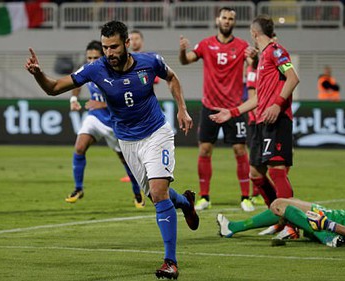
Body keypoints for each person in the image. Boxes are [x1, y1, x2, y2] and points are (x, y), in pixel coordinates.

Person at [25, 20, 199, 279]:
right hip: (127, 141)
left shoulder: (150, 62)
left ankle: (170, 261)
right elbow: (53, 88)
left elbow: (171, 77)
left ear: (127, 43)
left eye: (114, 47)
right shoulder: (95, 69)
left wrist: (182, 109)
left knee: (158, 192)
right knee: (155, 196)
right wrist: (38, 73)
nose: (109, 53)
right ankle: (185, 203)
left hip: (156, 134)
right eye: (105, 47)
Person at [217, 145, 345, 248]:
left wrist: (328, 225)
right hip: (343, 218)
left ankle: (324, 235)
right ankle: (233, 228)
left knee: (281, 205)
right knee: (289, 203)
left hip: (339, 222)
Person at [210, 14, 300, 239]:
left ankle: (291, 226)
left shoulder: (276, 51)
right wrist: (230, 113)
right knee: (255, 173)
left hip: (276, 120)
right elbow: (258, 98)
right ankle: (279, 217)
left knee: (277, 171)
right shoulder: (262, 59)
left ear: (254, 33)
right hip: (261, 122)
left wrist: (278, 105)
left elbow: (293, 78)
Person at [179, 7, 255, 212]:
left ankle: (246, 197)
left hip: (234, 109)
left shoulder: (242, 46)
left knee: (240, 150)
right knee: (204, 149)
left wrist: (255, 57)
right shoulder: (206, 44)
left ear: (234, 22)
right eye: (225, 17)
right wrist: (182, 50)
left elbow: (253, 63)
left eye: (231, 18)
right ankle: (204, 197)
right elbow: (186, 60)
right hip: (209, 107)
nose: (227, 21)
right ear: (217, 20)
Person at [66, 40, 144, 209]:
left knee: (125, 160)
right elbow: (75, 83)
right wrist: (73, 99)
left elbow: (126, 99)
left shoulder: (114, 72)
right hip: (94, 118)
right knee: (79, 147)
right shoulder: (87, 70)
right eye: (89, 57)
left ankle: (137, 192)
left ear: (103, 57)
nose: (92, 60)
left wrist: (101, 104)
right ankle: (78, 189)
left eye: (95, 57)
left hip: (115, 121)